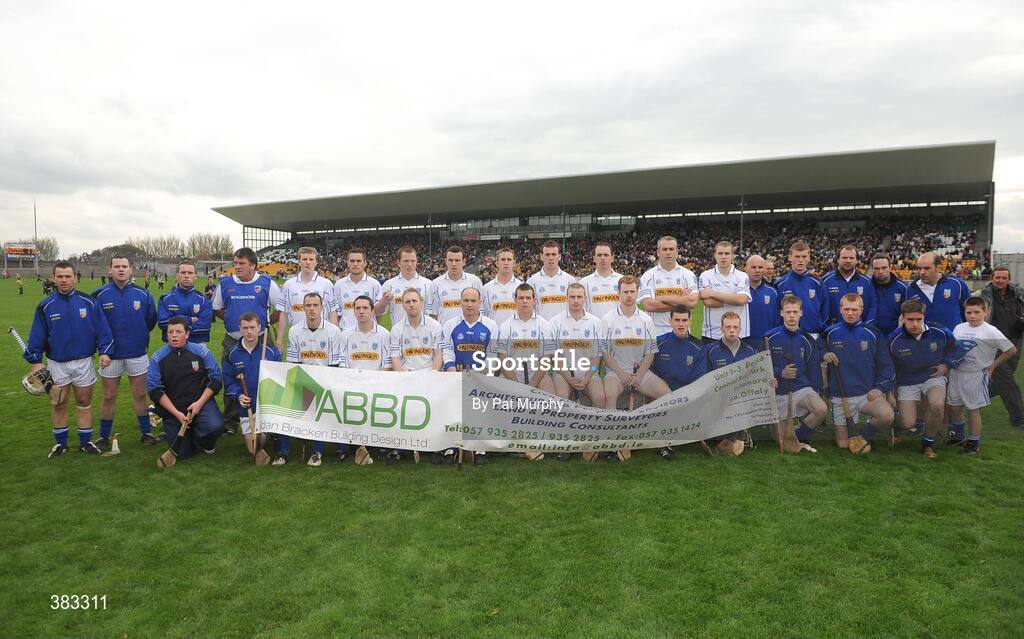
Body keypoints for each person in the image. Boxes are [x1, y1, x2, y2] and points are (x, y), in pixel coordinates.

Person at [25, 261, 113, 458]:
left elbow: (102, 329)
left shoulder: (89, 302)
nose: (64, 280)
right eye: (60, 276)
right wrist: (36, 361)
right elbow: (37, 335)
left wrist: (105, 352)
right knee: (58, 402)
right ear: (53, 279)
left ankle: (85, 442)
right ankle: (61, 444)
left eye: (67, 276)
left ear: (75, 278)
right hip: (57, 363)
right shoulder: (45, 306)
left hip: (84, 362)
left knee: (84, 401)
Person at [212, 248, 281, 435]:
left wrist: (265, 324)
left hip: (261, 339)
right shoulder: (225, 283)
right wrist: (231, 321)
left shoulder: (267, 283)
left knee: (268, 377)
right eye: (235, 263)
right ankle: (231, 420)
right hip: (232, 339)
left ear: (253, 265)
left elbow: (281, 308)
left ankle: (270, 418)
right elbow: (216, 307)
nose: (237, 266)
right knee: (231, 377)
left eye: (241, 263)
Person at [92, 254, 159, 448]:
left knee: (140, 395)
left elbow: (150, 321)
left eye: (124, 266)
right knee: (108, 396)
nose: (120, 269)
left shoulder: (144, 294)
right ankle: (104, 436)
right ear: (110, 270)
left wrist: (138, 337)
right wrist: (103, 349)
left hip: (137, 353)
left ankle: (146, 433)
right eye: (116, 266)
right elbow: (95, 325)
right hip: (110, 355)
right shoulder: (99, 295)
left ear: (131, 269)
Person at [821, 294, 895, 454]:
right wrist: (824, 354)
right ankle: (855, 437)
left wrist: (880, 388)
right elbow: (817, 351)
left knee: (887, 416)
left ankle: (863, 435)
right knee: (843, 444)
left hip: (866, 394)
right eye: (846, 309)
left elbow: (886, 365)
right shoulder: (829, 333)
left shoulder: (873, 333)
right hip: (841, 396)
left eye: (854, 309)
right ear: (840, 309)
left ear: (861, 310)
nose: (850, 313)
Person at [887, 300, 961, 459]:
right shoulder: (893, 339)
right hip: (907, 381)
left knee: (937, 405)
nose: (914, 324)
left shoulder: (939, 332)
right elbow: (888, 368)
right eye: (910, 320)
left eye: (918, 319)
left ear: (924, 317)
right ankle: (896, 425)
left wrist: (945, 365)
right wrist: (891, 392)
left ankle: (927, 444)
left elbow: (957, 348)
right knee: (908, 423)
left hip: (932, 377)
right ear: (903, 318)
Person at [947, 297, 1018, 454]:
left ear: (985, 312)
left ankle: (973, 443)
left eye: (977, 312)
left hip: (976, 374)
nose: (972, 316)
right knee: (954, 407)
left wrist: (993, 366)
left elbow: (1011, 350)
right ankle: (958, 436)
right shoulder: (959, 327)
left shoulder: (990, 331)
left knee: (973, 409)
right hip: (957, 373)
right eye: (969, 312)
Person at [147, 317, 225, 460]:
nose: (174, 335)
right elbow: (154, 390)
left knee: (215, 427)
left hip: (200, 404)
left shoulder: (201, 351)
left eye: (178, 332)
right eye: (170, 332)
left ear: (187, 334)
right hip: (174, 408)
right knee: (183, 454)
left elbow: (216, 379)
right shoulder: (158, 357)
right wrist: (176, 413)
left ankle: (204, 440)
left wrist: (199, 404)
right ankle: (189, 435)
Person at [284, 292, 345, 467]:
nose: (312, 309)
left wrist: (321, 385)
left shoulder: (333, 331)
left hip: (328, 382)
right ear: (303, 308)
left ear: (322, 307)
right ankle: (283, 451)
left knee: (322, 404)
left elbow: (333, 366)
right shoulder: (295, 331)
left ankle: (318, 450)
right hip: (303, 382)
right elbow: (294, 364)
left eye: (315, 305)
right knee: (282, 403)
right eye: (308, 305)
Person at [548, 283, 605, 460]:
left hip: (589, 373)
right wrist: (568, 378)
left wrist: (588, 376)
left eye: (579, 297)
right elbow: (555, 357)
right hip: (563, 373)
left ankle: (593, 442)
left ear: (585, 298)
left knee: (600, 398)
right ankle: (566, 443)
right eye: (572, 297)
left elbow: (597, 357)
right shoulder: (555, 322)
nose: (576, 300)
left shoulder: (596, 323)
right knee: (561, 398)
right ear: (566, 299)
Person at [441, 287, 498, 466]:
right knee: (453, 407)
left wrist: (478, 374)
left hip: (481, 376)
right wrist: (454, 373)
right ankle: (452, 446)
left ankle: (479, 448)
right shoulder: (450, 325)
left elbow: (493, 356)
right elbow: (447, 352)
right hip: (456, 375)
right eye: (466, 300)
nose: (470, 304)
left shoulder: (491, 325)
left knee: (479, 406)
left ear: (480, 303)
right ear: (460, 302)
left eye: (473, 301)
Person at [764, 295, 828, 452]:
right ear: (781, 313)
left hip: (800, 388)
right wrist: (781, 372)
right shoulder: (770, 337)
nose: (791, 316)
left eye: (795, 312)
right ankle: (780, 430)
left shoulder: (807, 340)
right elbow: (762, 368)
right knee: (783, 443)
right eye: (788, 312)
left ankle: (800, 435)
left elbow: (814, 370)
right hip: (779, 391)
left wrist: (816, 392)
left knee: (821, 408)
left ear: (801, 313)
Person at [651, 305, 707, 460]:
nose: (681, 324)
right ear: (670, 321)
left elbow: (699, 378)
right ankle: (663, 444)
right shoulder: (658, 343)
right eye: (677, 320)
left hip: (686, 394)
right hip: (661, 394)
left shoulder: (699, 347)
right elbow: (648, 370)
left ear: (690, 321)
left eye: (684, 320)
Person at [224, 312, 282, 456]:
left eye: (252, 327)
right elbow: (229, 382)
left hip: (267, 406)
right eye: (245, 328)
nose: (249, 331)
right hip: (247, 408)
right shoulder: (232, 355)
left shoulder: (271, 353)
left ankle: (270, 431)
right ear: (240, 329)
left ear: (259, 328)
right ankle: (265, 434)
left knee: (259, 441)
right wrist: (238, 396)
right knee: (253, 449)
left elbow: (281, 379)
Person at [703, 312, 758, 454]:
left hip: (743, 395)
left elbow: (755, 376)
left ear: (740, 329)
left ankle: (728, 442)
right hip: (718, 396)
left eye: (735, 327)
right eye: (728, 327)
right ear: (721, 328)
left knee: (741, 400)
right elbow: (706, 378)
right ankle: (741, 437)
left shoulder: (750, 350)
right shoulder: (711, 350)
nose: (732, 330)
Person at [979, 266, 1024, 427]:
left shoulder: (1018, 294)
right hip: (994, 343)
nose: (1000, 280)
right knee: (1007, 381)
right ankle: (1019, 418)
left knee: (1001, 382)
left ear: (1009, 279)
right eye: (997, 277)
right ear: (991, 278)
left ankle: (974, 396)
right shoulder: (983, 295)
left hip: (1015, 342)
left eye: (1004, 278)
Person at [494, 283, 557, 394]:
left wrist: (532, 385)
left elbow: (546, 359)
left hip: (538, 376)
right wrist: (517, 386)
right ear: (515, 300)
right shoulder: (505, 326)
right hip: (512, 375)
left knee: (550, 395)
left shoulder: (544, 325)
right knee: (497, 395)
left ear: (534, 300)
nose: (524, 301)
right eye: (521, 298)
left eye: (528, 298)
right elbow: (503, 358)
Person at [275, 246, 339, 354]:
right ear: (299, 262)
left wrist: (336, 336)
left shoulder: (326, 284)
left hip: (322, 336)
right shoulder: (289, 284)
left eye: (311, 259)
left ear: (316, 262)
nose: (308, 262)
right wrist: (279, 339)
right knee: (296, 364)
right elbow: (284, 313)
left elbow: (332, 312)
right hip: (297, 335)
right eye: (304, 259)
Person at [638, 235, 699, 338]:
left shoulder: (688, 275)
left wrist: (659, 297)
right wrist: (681, 302)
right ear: (658, 252)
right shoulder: (648, 276)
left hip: (681, 332)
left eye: (671, 249)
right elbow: (649, 305)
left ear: (677, 252)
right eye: (664, 249)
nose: (668, 252)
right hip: (655, 332)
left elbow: (692, 302)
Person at [698, 240, 751, 342]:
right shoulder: (706, 276)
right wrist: (733, 300)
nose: (723, 256)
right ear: (715, 255)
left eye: (727, 253)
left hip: (739, 334)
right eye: (720, 253)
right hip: (712, 334)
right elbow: (708, 302)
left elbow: (741, 300)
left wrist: (712, 293)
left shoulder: (742, 276)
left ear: (733, 256)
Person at [775, 241, 829, 337]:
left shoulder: (818, 283)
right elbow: (776, 313)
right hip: (788, 336)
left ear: (809, 258)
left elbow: (825, 311)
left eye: (804, 256)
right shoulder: (780, 284)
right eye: (797, 256)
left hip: (813, 334)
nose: (801, 260)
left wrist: (820, 327)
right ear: (790, 257)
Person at [907, 251, 971, 330]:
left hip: (951, 336)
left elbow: (969, 311)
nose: (922, 272)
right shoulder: (911, 289)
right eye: (919, 268)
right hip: (924, 337)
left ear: (939, 268)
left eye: (927, 268)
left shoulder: (957, 284)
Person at [157, 259, 213, 343]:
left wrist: (175, 323)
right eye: (183, 272)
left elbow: (204, 328)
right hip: (171, 345)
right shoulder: (165, 299)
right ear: (177, 276)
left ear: (195, 276)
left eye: (190, 273)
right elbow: (163, 322)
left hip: (197, 345)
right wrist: (190, 320)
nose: (186, 276)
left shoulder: (204, 301)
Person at [377, 246, 434, 325]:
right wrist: (383, 303)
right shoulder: (389, 285)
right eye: (406, 261)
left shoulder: (428, 284)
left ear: (417, 261)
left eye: (413, 261)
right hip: (398, 332)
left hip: (423, 331)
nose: (409, 264)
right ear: (398, 262)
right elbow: (377, 312)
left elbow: (434, 313)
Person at [822, 245, 875, 327]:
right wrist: (828, 328)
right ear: (838, 260)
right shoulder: (825, 281)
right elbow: (820, 308)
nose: (848, 260)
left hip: (860, 330)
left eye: (851, 258)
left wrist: (866, 327)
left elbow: (872, 306)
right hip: (834, 330)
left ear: (857, 260)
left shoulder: (866, 282)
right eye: (844, 257)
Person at [431, 246, 484, 325]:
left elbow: (481, 309)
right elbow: (433, 313)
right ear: (446, 261)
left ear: (464, 261)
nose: (454, 264)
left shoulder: (475, 281)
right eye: (450, 260)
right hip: (446, 330)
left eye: (457, 260)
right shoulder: (436, 283)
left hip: (470, 330)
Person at [527, 240, 577, 321]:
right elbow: (529, 309)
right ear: (541, 257)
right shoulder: (532, 282)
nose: (551, 258)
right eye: (547, 254)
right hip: (541, 327)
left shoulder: (570, 280)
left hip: (564, 327)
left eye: (554, 254)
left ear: (559, 256)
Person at [334, 248, 382, 330]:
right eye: (352, 261)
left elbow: (378, 313)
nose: (355, 264)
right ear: (348, 263)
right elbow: (336, 313)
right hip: (346, 332)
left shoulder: (375, 284)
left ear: (365, 263)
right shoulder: (339, 285)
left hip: (368, 332)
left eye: (358, 261)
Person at [744, 254, 780, 351]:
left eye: (760, 267)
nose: (757, 270)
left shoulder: (773, 292)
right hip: (743, 343)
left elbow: (777, 321)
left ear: (764, 269)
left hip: (767, 343)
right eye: (753, 267)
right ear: (746, 269)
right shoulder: (738, 292)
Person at [579, 241, 622, 319]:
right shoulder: (584, 282)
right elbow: (581, 310)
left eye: (606, 255)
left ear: (612, 258)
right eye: (599, 255)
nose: (603, 258)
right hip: (594, 326)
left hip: (617, 325)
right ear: (594, 259)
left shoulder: (622, 280)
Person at [869, 253, 909, 336]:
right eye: (876, 268)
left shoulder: (902, 288)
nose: (880, 271)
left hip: (894, 335)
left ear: (890, 267)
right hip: (870, 335)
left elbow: (908, 313)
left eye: (884, 268)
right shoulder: (867, 286)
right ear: (872, 269)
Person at [482, 247, 522, 327]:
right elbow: (483, 314)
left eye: (509, 259)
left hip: (516, 332)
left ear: (514, 262)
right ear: (496, 263)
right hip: (494, 332)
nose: (506, 263)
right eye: (503, 260)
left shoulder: (521, 286)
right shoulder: (486, 288)